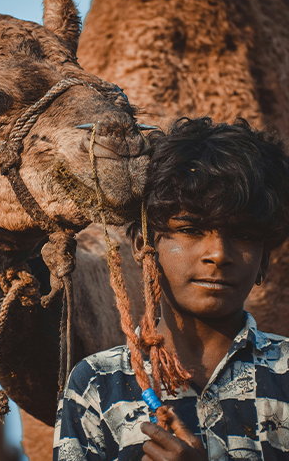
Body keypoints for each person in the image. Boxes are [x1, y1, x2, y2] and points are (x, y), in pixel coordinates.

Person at [53, 117, 289, 461]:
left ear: (264, 260)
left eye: (243, 236)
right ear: (142, 245)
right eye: (192, 229)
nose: (218, 254)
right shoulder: (97, 386)